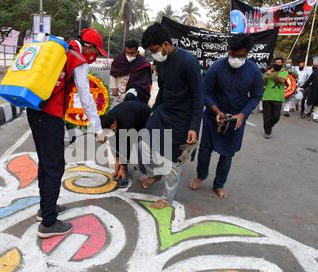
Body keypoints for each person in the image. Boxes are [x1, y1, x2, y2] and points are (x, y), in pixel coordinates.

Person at [27, 28, 108, 239]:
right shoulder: (76, 58)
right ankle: (49, 223)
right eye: (96, 52)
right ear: (88, 47)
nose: (95, 57)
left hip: (34, 110)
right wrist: (98, 128)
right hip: (50, 115)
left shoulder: (61, 50)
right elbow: (86, 95)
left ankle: (46, 209)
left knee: (46, 162)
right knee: (55, 166)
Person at [139, 23, 204, 209]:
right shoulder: (160, 61)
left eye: (155, 50)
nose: (154, 54)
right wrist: (155, 109)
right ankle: (155, 173)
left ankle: (167, 199)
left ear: (166, 44)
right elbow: (163, 88)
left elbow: (199, 96)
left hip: (182, 119)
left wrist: (194, 126)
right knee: (144, 145)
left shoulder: (188, 61)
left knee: (173, 162)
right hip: (163, 112)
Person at [190, 34, 263, 199]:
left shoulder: (254, 71)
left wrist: (242, 114)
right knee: (205, 150)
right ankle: (201, 176)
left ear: (247, 54)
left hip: (236, 120)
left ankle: (219, 184)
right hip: (212, 116)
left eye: (241, 56)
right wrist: (216, 111)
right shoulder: (216, 67)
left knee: (228, 154)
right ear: (228, 50)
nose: (236, 59)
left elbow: (256, 95)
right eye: (233, 54)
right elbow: (205, 92)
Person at [100, 100, 152, 188]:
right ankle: (121, 171)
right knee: (118, 142)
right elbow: (114, 141)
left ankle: (147, 174)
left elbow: (127, 145)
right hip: (131, 114)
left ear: (113, 125)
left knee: (140, 146)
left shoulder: (126, 123)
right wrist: (117, 160)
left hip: (146, 120)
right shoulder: (109, 118)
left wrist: (122, 166)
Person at [110, 39, 152, 104]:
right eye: (127, 53)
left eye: (132, 53)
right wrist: (114, 87)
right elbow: (113, 73)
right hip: (119, 93)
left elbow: (144, 83)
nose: (129, 55)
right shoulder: (118, 59)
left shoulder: (142, 63)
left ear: (137, 52)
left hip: (134, 95)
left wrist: (130, 93)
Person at [262, 57, 288, 138]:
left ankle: (269, 126)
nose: (277, 64)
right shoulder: (269, 71)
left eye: (279, 63)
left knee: (276, 117)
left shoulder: (285, 72)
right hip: (267, 96)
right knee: (266, 116)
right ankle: (267, 132)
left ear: (282, 64)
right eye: (276, 62)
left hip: (278, 97)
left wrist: (271, 74)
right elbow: (263, 83)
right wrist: (265, 77)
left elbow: (282, 80)